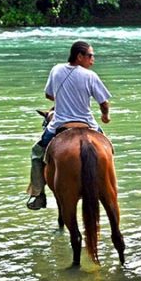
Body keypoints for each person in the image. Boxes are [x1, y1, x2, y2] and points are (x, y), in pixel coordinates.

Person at [26, 40, 111, 210]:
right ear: (79, 56)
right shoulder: (90, 76)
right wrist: (105, 116)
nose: (92, 60)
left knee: (36, 153)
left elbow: (49, 95)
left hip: (59, 123)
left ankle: (38, 195)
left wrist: (64, 96)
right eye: (90, 56)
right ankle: (108, 186)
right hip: (88, 124)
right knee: (108, 149)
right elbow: (104, 102)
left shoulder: (56, 70)